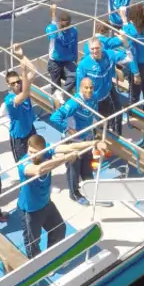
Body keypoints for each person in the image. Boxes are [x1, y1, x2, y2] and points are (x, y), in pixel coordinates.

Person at [17, 134, 96, 257]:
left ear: (43, 150)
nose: (32, 155)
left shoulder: (46, 151)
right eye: (30, 151)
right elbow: (39, 170)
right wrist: (66, 158)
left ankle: (51, 257)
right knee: (32, 242)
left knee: (59, 229)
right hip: (30, 210)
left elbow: (71, 146)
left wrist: (94, 143)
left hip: (46, 203)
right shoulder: (23, 163)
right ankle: (37, 266)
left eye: (35, 152)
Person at [48, 77, 102, 205]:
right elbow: (55, 117)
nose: (89, 90)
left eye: (91, 88)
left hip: (87, 138)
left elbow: (93, 115)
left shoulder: (94, 98)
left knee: (87, 166)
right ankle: (74, 194)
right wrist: (68, 129)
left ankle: (91, 188)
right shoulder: (74, 103)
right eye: (86, 88)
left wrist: (96, 131)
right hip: (73, 142)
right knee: (74, 169)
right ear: (80, 88)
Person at [75, 36, 122, 136]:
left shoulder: (108, 55)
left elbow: (124, 56)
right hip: (93, 99)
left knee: (113, 112)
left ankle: (115, 134)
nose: (95, 51)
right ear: (89, 49)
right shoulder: (83, 65)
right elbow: (80, 86)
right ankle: (98, 137)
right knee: (97, 121)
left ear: (101, 47)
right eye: (92, 49)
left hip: (106, 93)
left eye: (97, 48)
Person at [0, 46, 38, 162]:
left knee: (36, 157)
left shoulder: (23, 86)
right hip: (19, 137)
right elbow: (25, 94)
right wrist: (23, 71)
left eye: (18, 81)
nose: (16, 85)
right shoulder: (10, 100)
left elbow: (34, 71)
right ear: (8, 85)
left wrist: (21, 56)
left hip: (30, 129)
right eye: (13, 83)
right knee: (23, 163)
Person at [121, 3, 144, 114]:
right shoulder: (131, 30)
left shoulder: (143, 26)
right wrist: (135, 73)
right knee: (135, 92)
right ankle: (132, 111)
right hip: (137, 66)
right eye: (143, 13)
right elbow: (131, 55)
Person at [46, 4, 79, 93]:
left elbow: (75, 45)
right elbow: (53, 24)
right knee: (55, 85)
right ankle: (57, 97)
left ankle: (62, 93)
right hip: (54, 61)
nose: (66, 25)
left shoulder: (73, 31)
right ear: (59, 22)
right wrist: (53, 12)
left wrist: (75, 59)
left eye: (67, 23)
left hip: (67, 61)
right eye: (64, 23)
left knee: (76, 75)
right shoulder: (55, 31)